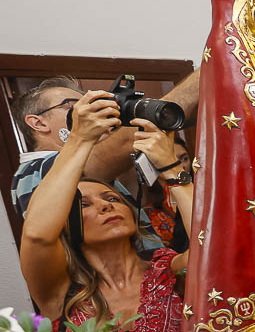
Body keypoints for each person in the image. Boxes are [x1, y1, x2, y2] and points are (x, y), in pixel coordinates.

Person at [18, 90, 193, 332]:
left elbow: (212, 251)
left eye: (112, 198)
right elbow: (36, 234)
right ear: (66, 227)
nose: (104, 206)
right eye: (83, 204)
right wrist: (80, 139)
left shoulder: (164, 269)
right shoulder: (59, 291)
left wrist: (174, 173)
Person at [10, 74, 200, 245]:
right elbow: (124, 142)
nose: (92, 112)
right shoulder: (36, 169)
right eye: (75, 107)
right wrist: (213, 64)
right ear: (39, 123)